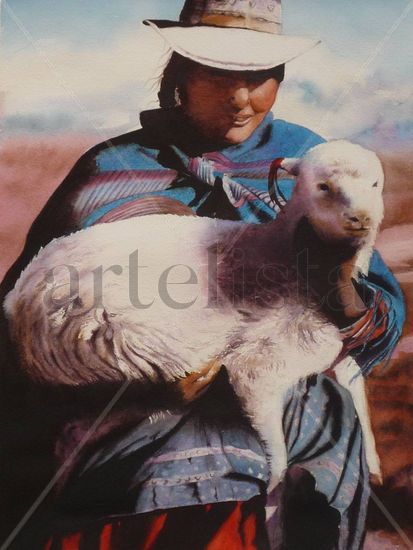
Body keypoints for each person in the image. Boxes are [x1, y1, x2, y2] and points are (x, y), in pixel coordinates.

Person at [0, 1, 405, 549]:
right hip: (127, 415)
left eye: (258, 78)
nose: (240, 98)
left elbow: (375, 318)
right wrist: (148, 374)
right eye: (217, 75)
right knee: (208, 442)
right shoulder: (114, 170)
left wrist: (332, 286)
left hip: (289, 392)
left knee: (307, 421)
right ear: (180, 74)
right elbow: (22, 325)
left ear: (279, 79)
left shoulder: (316, 162)